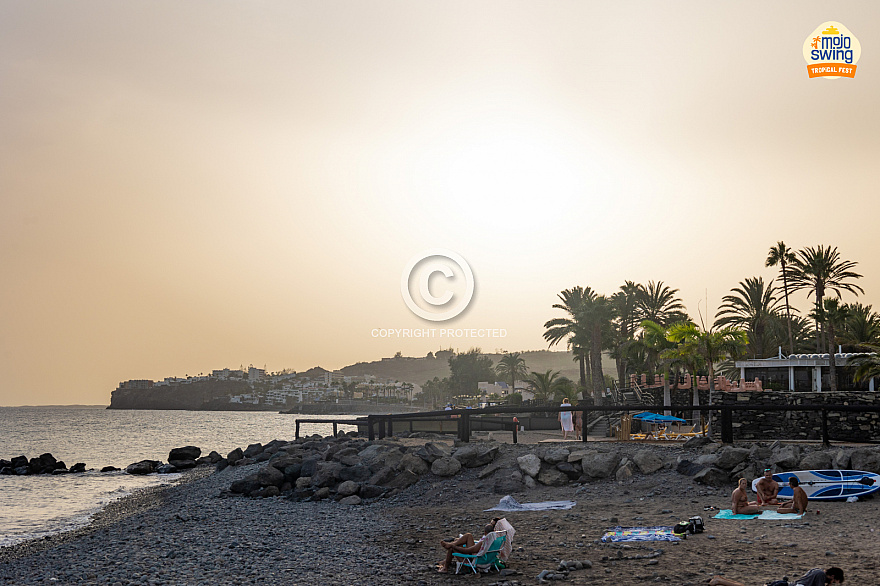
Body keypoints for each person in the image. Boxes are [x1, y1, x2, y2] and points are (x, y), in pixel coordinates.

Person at [707, 566, 844, 585]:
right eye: (835, 580)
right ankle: (719, 581)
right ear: (832, 576)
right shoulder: (820, 575)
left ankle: (721, 580)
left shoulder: (817, 570)